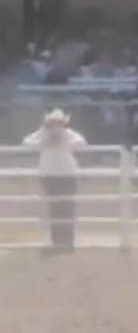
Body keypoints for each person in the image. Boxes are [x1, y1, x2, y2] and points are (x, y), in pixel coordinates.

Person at [22, 108, 85, 254]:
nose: (55, 126)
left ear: (63, 124)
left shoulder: (69, 135)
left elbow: (82, 142)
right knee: (54, 209)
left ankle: (68, 243)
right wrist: (43, 143)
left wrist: (63, 144)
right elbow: (26, 142)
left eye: (58, 123)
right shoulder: (42, 134)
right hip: (49, 176)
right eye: (52, 123)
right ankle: (57, 242)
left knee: (67, 209)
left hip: (68, 175)